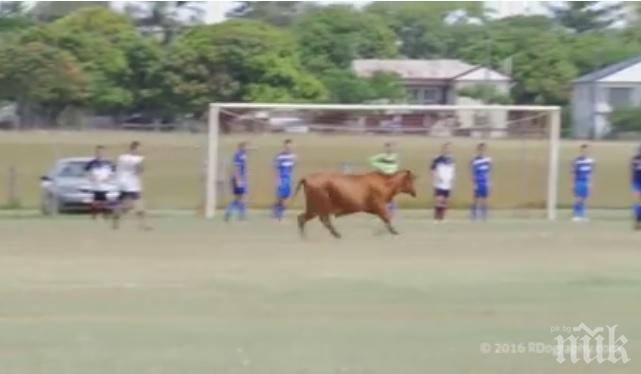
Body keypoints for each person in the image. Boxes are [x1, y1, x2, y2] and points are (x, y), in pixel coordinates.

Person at [112, 141, 150, 230]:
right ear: (136, 148)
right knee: (138, 204)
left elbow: (115, 168)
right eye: (139, 148)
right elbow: (139, 170)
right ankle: (144, 225)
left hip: (122, 184)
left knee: (122, 204)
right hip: (132, 185)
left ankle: (115, 223)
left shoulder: (121, 157)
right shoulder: (138, 159)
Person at [84, 145, 115, 220]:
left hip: (104, 185)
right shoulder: (91, 163)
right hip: (96, 185)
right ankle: (94, 216)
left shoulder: (108, 163)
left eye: (101, 152)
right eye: (98, 152)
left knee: (104, 200)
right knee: (95, 201)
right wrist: (91, 177)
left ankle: (105, 215)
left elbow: (113, 173)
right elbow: (86, 172)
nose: (100, 153)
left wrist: (109, 178)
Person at [369, 142, 399, 214]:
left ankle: (391, 209)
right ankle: (385, 208)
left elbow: (394, 165)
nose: (389, 149)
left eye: (390, 147)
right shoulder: (382, 156)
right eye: (387, 147)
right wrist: (380, 166)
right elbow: (371, 160)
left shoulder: (394, 156)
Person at [431, 142, 455, 221]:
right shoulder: (438, 158)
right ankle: (436, 216)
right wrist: (436, 177)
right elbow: (432, 169)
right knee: (439, 199)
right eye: (446, 148)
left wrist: (452, 179)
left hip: (448, 183)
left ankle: (442, 217)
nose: (447, 150)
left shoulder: (451, 159)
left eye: (449, 148)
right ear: (443, 149)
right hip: (439, 183)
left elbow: (452, 170)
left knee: (445, 200)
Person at [224, 141, 248, 221]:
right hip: (238, 179)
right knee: (240, 197)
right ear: (240, 147)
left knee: (240, 197)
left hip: (241, 178)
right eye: (244, 147)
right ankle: (235, 213)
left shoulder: (243, 155)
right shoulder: (238, 155)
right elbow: (236, 168)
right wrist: (238, 179)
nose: (246, 149)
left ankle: (236, 213)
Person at [273, 139, 297, 220]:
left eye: (290, 146)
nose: (288, 147)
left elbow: (292, 167)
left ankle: (276, 207)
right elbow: (277, 168)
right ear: (284, 146)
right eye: (287, 146)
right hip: (282, 178)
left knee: (286, 195)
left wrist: (292, 176)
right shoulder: (280, 156)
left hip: (288, 178)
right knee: (281, 195)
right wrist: (278, 179)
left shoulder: (293, 156)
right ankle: (279, 212)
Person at [572, 144, 595, 222]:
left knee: (584, 198)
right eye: (583, 150)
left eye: (586, 150)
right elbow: (573, 172)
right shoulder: (577, 160)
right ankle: (576, 215)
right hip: (578, 180)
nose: (585, 152)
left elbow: (590, 173)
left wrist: (590, 183)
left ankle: (582, 215)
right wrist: (572, 183)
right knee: (578, 198)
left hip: (586, 181)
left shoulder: (590, 161)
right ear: (581, 151)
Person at [470, 143, 492, 221]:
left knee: (484, 199)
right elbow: (473, 172)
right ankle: (474, 215)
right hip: (478, 181)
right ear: (478, 150)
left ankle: (484, 216)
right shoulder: (474, 160)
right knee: (475, 199)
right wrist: (474, 183)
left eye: (483, 149)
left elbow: (488, 172)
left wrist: (489, 182)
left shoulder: (488, 160)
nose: (482, 151)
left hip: (484, 181)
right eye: (480, 149)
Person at [631, 145, 641, 229]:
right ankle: (637, 220)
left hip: (636, 181)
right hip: (637, 182)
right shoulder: (635, 159)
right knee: (638, 201)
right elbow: (634, 170)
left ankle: (637, 220)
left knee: (638, 201)